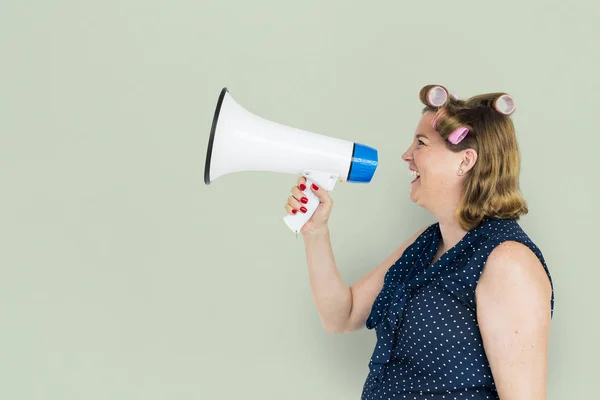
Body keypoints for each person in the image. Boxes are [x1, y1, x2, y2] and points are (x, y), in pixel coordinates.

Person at [284, 85, 554, 400]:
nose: (406, 155)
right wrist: (316, 231)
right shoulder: (427, 242)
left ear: (465, 161)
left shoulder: (509, 263)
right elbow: (342, 315)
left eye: (421, 143)